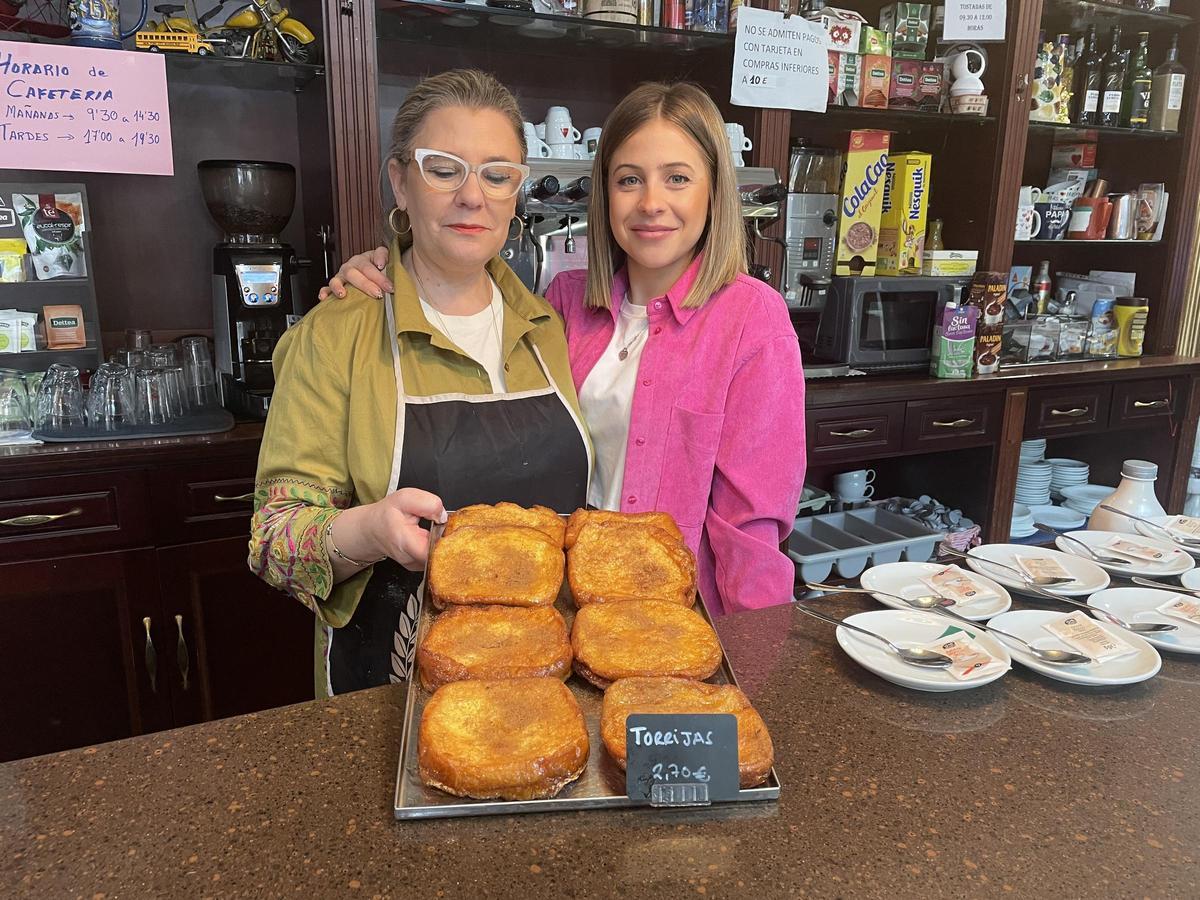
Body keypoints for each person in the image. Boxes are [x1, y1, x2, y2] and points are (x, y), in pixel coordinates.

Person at [321, 81, 806, 615]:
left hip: (676, 623)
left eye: (677, 178)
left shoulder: (752, 319)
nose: (651, 203)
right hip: (559, 607)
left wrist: (755, 665)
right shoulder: (563, 304)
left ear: (714, 190)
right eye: (629, 180)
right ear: (604, 192)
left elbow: (752, 530)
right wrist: (392, 261)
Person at [250, 69, 590, 696]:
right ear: (400, 181)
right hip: (391, 687)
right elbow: (273, 541)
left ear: (517, 194)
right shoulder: (338, 332)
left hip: (543, 681)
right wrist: (369, 532)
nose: (473, 196)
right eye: (443, 169)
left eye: (497, 174)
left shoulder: (546, 327)